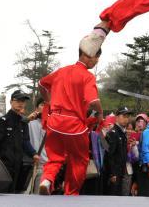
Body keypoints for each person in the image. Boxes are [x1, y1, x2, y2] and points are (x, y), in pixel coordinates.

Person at [38, 46, 103, 196]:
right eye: (96, 57)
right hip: (74, 124)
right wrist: (100, 113)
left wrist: (49, 101)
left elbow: (41, 84)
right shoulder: (87, 76)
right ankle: (71, 194)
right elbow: (93, 101)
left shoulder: (62, 71)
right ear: (88, 55)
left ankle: (46, 180)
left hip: (54, 122)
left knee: (54, 157)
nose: (97, 61)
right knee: (79, 160)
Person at [0, 90, 38, 193]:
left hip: (18, 166)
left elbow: (25, 141)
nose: (21, 103)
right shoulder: (3, 121)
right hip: (3, 166)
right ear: (11, 102)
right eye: (18, 100)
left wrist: (34, 154)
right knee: (1, 195)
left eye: (23, 101)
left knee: (14, 195)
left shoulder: (23, 122)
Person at [104, 107, 133, 196]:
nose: (126, 119)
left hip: (121, 172)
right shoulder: (113, 133)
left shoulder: (121, 132)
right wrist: (112, 174)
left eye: (127, 117)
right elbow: (109, 155)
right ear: (116, 117)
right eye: (123, 116)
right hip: (114, 173)